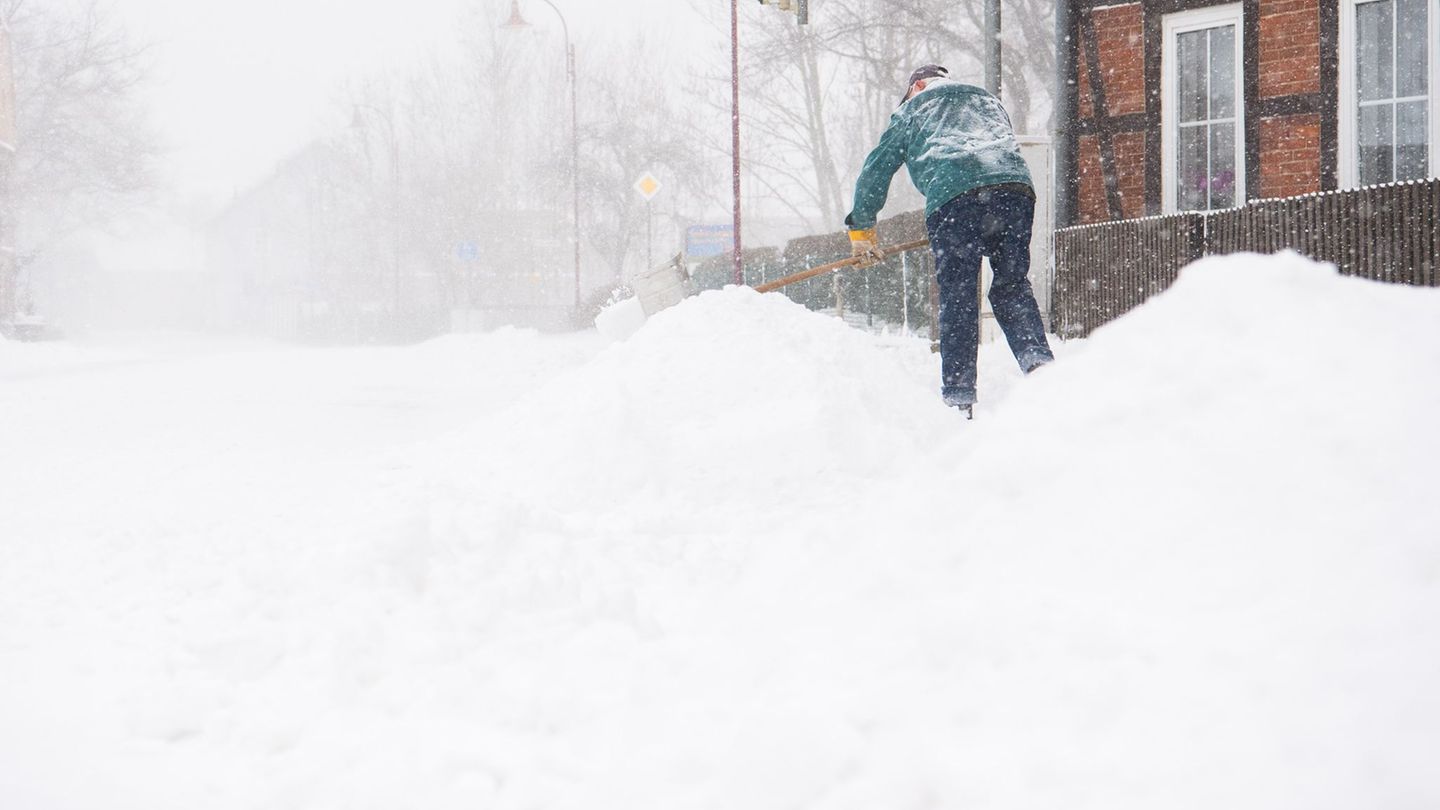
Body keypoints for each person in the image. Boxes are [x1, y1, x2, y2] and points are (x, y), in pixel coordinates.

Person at [845, 64, 1054, 419]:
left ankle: (959, 397)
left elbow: (877, 169)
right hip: (1015, 190)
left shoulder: (914, 107)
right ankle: (1040, 367)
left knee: (958, 296)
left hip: (955, 198)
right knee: (1012, 286)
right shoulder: (986, 100)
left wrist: (862, 230)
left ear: (917, 85)